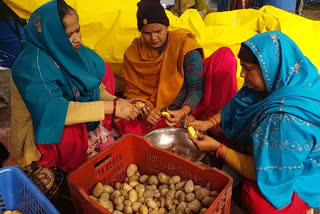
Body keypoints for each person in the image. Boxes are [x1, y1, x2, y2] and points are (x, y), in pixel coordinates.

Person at [189, 31, 320, 214]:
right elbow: (236, 106)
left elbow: (266, 172)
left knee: (257, 202)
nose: (242, 74)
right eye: (242, 67)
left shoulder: (286, 119)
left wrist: (218, 149)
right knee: (225, 132)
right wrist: (209, 123)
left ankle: (306, 207)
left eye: (248, 69)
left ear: (270, 67)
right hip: (277, 146)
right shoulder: (280, 78)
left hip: (300, 168)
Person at [11, 0, 140, 174]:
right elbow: (53, 112)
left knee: (103, 71)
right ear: (52, 36)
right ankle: (66, 165)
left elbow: (97, 90)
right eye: (68, 34)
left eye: (78, 30)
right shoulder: (32, 66)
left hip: (71, 116)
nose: (77, 38)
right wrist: (112, 107)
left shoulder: (76, 51)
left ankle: (89, 143)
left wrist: (119, 102)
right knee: (70, 127)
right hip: (43, 130)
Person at [116, 0, 205, 135]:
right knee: (120, 120)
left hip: (183, 106)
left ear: (167, 26)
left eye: (158, 31)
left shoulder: (184, 45)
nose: (153, 37)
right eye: (146, 33)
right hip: (154, 113)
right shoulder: (133, 52)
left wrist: (182, 112)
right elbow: (132, 93)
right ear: (140, 31)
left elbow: (196, 89)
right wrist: (146, 111)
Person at [185, 47, 238, 139]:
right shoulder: (196, 78)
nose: (242, 74)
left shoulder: (237, 96)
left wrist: (211, 123)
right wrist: (196, 116)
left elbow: (230, 113)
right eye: (216, 78)